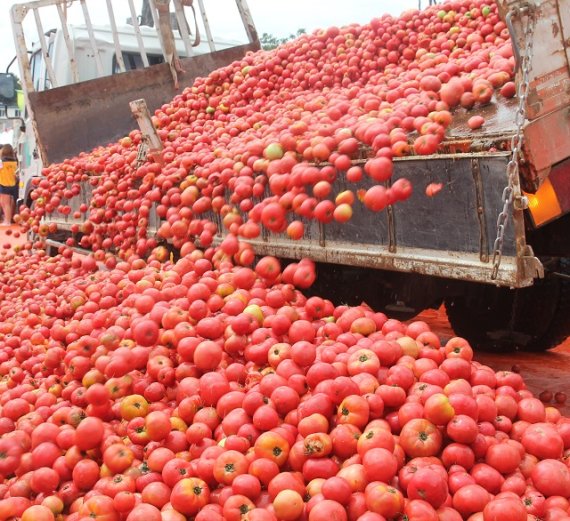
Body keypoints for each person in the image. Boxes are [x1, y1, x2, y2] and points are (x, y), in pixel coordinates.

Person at [0, 144, 18, 225]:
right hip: (13, 183)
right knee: (10, 203)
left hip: (4, 183)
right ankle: (8, 219)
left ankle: (7, 221)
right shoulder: (14, 162)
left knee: (5, 203)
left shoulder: (1, 162)